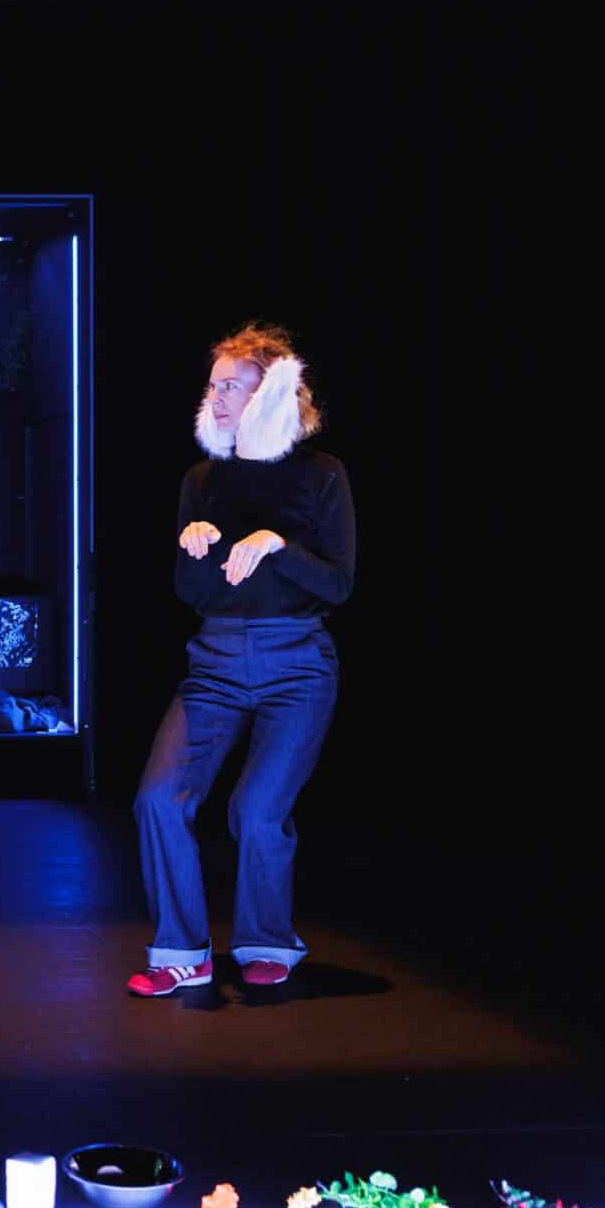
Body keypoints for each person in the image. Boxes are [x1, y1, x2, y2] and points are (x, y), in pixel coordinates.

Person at [128, 323, 356, 996]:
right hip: (215, 665)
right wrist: (191, 546)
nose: (217, 395)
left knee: (256, 813)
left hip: (297, 665)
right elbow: (189, 592)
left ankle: (266, 940)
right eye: (214, 385)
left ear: (272, 392)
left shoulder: (322, 475)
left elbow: (339, 583)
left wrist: (275, 542)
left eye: (233, 385)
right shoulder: (202, 477)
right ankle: (181, 952)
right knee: (157, 800)